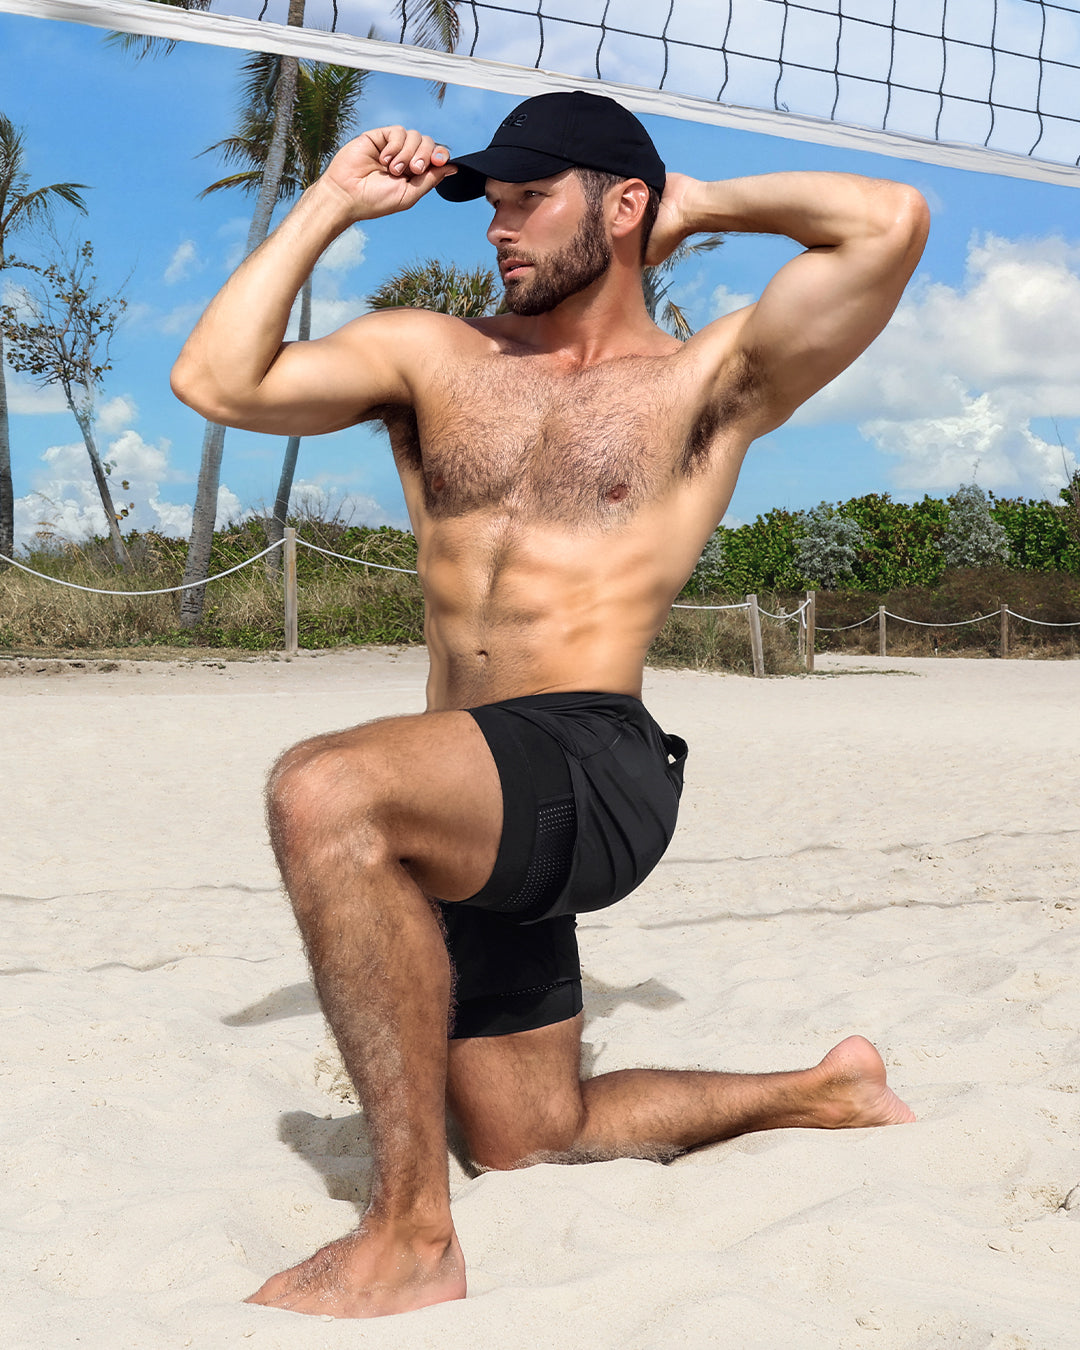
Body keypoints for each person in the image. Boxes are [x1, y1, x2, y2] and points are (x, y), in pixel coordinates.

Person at [171, 90, 928, 1320]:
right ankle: (821, 1091)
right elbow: (215, 377)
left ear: (621, 206)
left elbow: (889, 223)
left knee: (323, 787)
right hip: (471, 794)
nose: (498, 229)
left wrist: (696, 207)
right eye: (492, 203)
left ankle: (412, 1238)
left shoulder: (706, 378)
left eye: (529, 199)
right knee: (530, 1133)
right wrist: (332, 201)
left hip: (595, 764)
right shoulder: (432, 355)